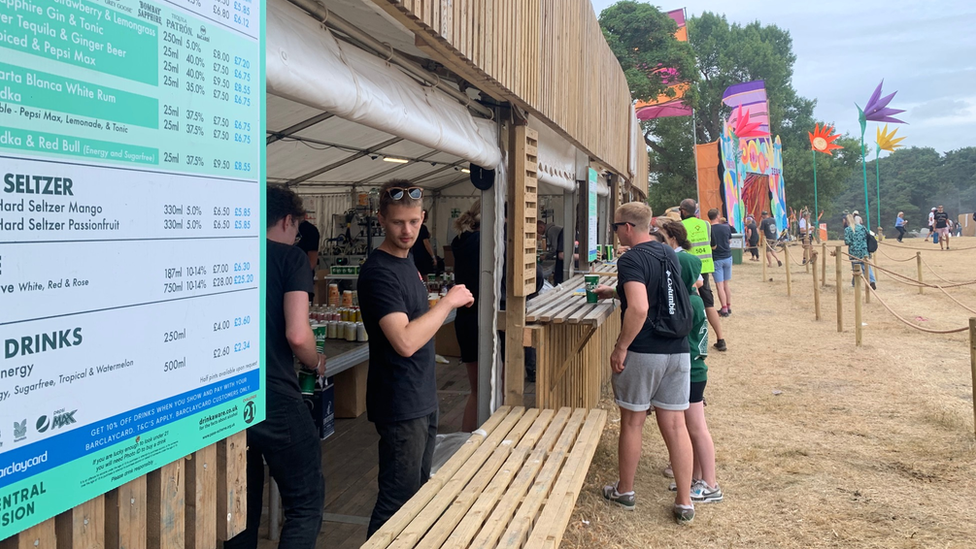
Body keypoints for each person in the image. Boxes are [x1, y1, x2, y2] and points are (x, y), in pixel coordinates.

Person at [358, 180, 474, 537]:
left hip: (422, 396)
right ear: (381, 220)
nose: (407, 231)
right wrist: (449, 303)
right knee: (396, 501)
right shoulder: (378, 272)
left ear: (423, 218)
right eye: (397, 223)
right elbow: (405, 341)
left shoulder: (408, 264)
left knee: (416, 496)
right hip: (398, 402)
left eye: (413, 222)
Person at [225, 186, 326, 549]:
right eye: (296, 230)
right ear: (287, 220)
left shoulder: (226, 252)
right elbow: (299, 335)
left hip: (228, 399)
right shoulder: (290, 258)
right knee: (305, 503)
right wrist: (316, 362)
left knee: (240, 510)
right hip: (275, 398)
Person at [594, 202, 696, 524]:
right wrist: (615, 292)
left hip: (645, 350)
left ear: (626, 228)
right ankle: (684, 500)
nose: (615, 233)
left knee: (633, 421)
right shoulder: (667, 252)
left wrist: (621, 346)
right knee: (677, 425)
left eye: (614, 228)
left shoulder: (631, 258)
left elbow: (639, 308)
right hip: (678, 350)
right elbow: (660, 293)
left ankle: (625, 490)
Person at [658, 221, 722, 504]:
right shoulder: (694, 298)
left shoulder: (692, 304)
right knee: (689, 427)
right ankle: (694, 478)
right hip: (695, 370)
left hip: (694, 372)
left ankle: (710, 483)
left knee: (697, 429)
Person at [679, 199, 726, 352]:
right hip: (705, 268)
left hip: (688, 268)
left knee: (688, 301)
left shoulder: (681, 226)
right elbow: (713, 245)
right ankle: (720, 338)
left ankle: (690, 339)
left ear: (683, 211)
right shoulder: (706, 224)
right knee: (708, 303)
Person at [451, 200, 481, 432]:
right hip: (487, 318)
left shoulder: (460, 241)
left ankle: (466, 442)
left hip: (466, 318)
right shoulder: (489, 242)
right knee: (494, 389)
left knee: (477, 391)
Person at [707, 209, 733, 317]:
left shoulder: (709, 229)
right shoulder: (726, 227)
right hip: (728, 256)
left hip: (716, 258)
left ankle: (724, 308)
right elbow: (729, 241)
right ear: (718, 216)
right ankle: (729, 305)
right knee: (726, 284)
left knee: (719, 285)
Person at [844, 214, 876, 289]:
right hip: (864, 250)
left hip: (854, 252)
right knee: (867, 267)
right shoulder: (862, 227)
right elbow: (867, 237)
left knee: (856, 268)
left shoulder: (847, 230)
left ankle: (856, 283)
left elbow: (847, 241)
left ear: (846, 221)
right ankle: (871, 281)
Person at [537, 220, 566, 284]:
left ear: (541, 227)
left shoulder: (551, 231)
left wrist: (546, 257)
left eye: (537, 230)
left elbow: (555, 248)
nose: (538, 232)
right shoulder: (553, 228)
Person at [411, 210, 437, 278]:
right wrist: (433, 256)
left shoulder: (412, 227)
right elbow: (426, 243)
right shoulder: (423, 228)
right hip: (422, 256)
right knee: (424, 276)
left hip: (412, 254)